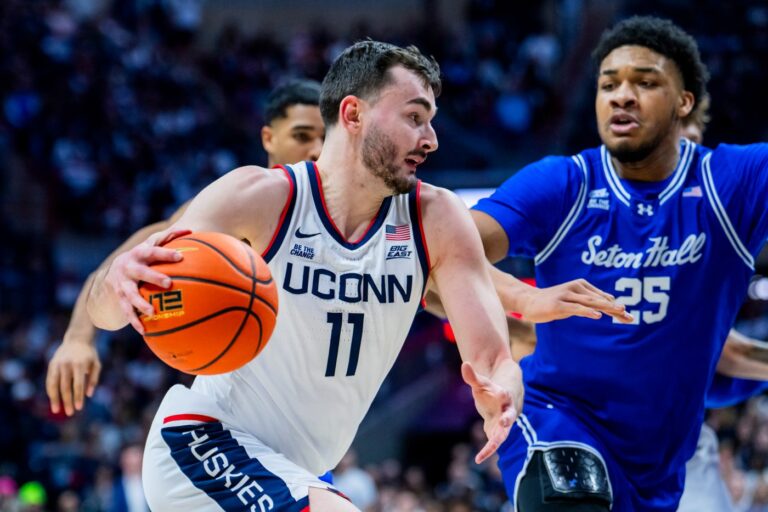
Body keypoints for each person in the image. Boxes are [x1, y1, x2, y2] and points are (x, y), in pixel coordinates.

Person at [86, 40, 529, 512]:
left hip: (302, 469)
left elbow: (493, 357)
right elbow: (106, 312)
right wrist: (117, 279)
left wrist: (503, 392)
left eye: (431, 120)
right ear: (354, 114)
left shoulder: (438, 219)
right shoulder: (259, 197)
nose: (431, 138)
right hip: (205, 440)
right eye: (415, 118)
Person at [470, 16, 768, 511]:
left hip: (662, 460)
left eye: (645, 82)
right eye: (609, 84)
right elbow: (439, 249)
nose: (621, 96)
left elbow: (728, 359)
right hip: (558, 419)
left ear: (684, 102)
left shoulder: (730, 184)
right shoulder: (563, 183)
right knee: (572, 496)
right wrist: (525, 298)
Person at [46, 79, 325, 417]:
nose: (316, 150)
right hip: (232, 410)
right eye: (302, 135)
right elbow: (124, 264)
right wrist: (78, 338)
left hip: (308, 416)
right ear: (269, 138)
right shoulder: (228, 209)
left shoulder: (342, 217)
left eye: (325, 138)